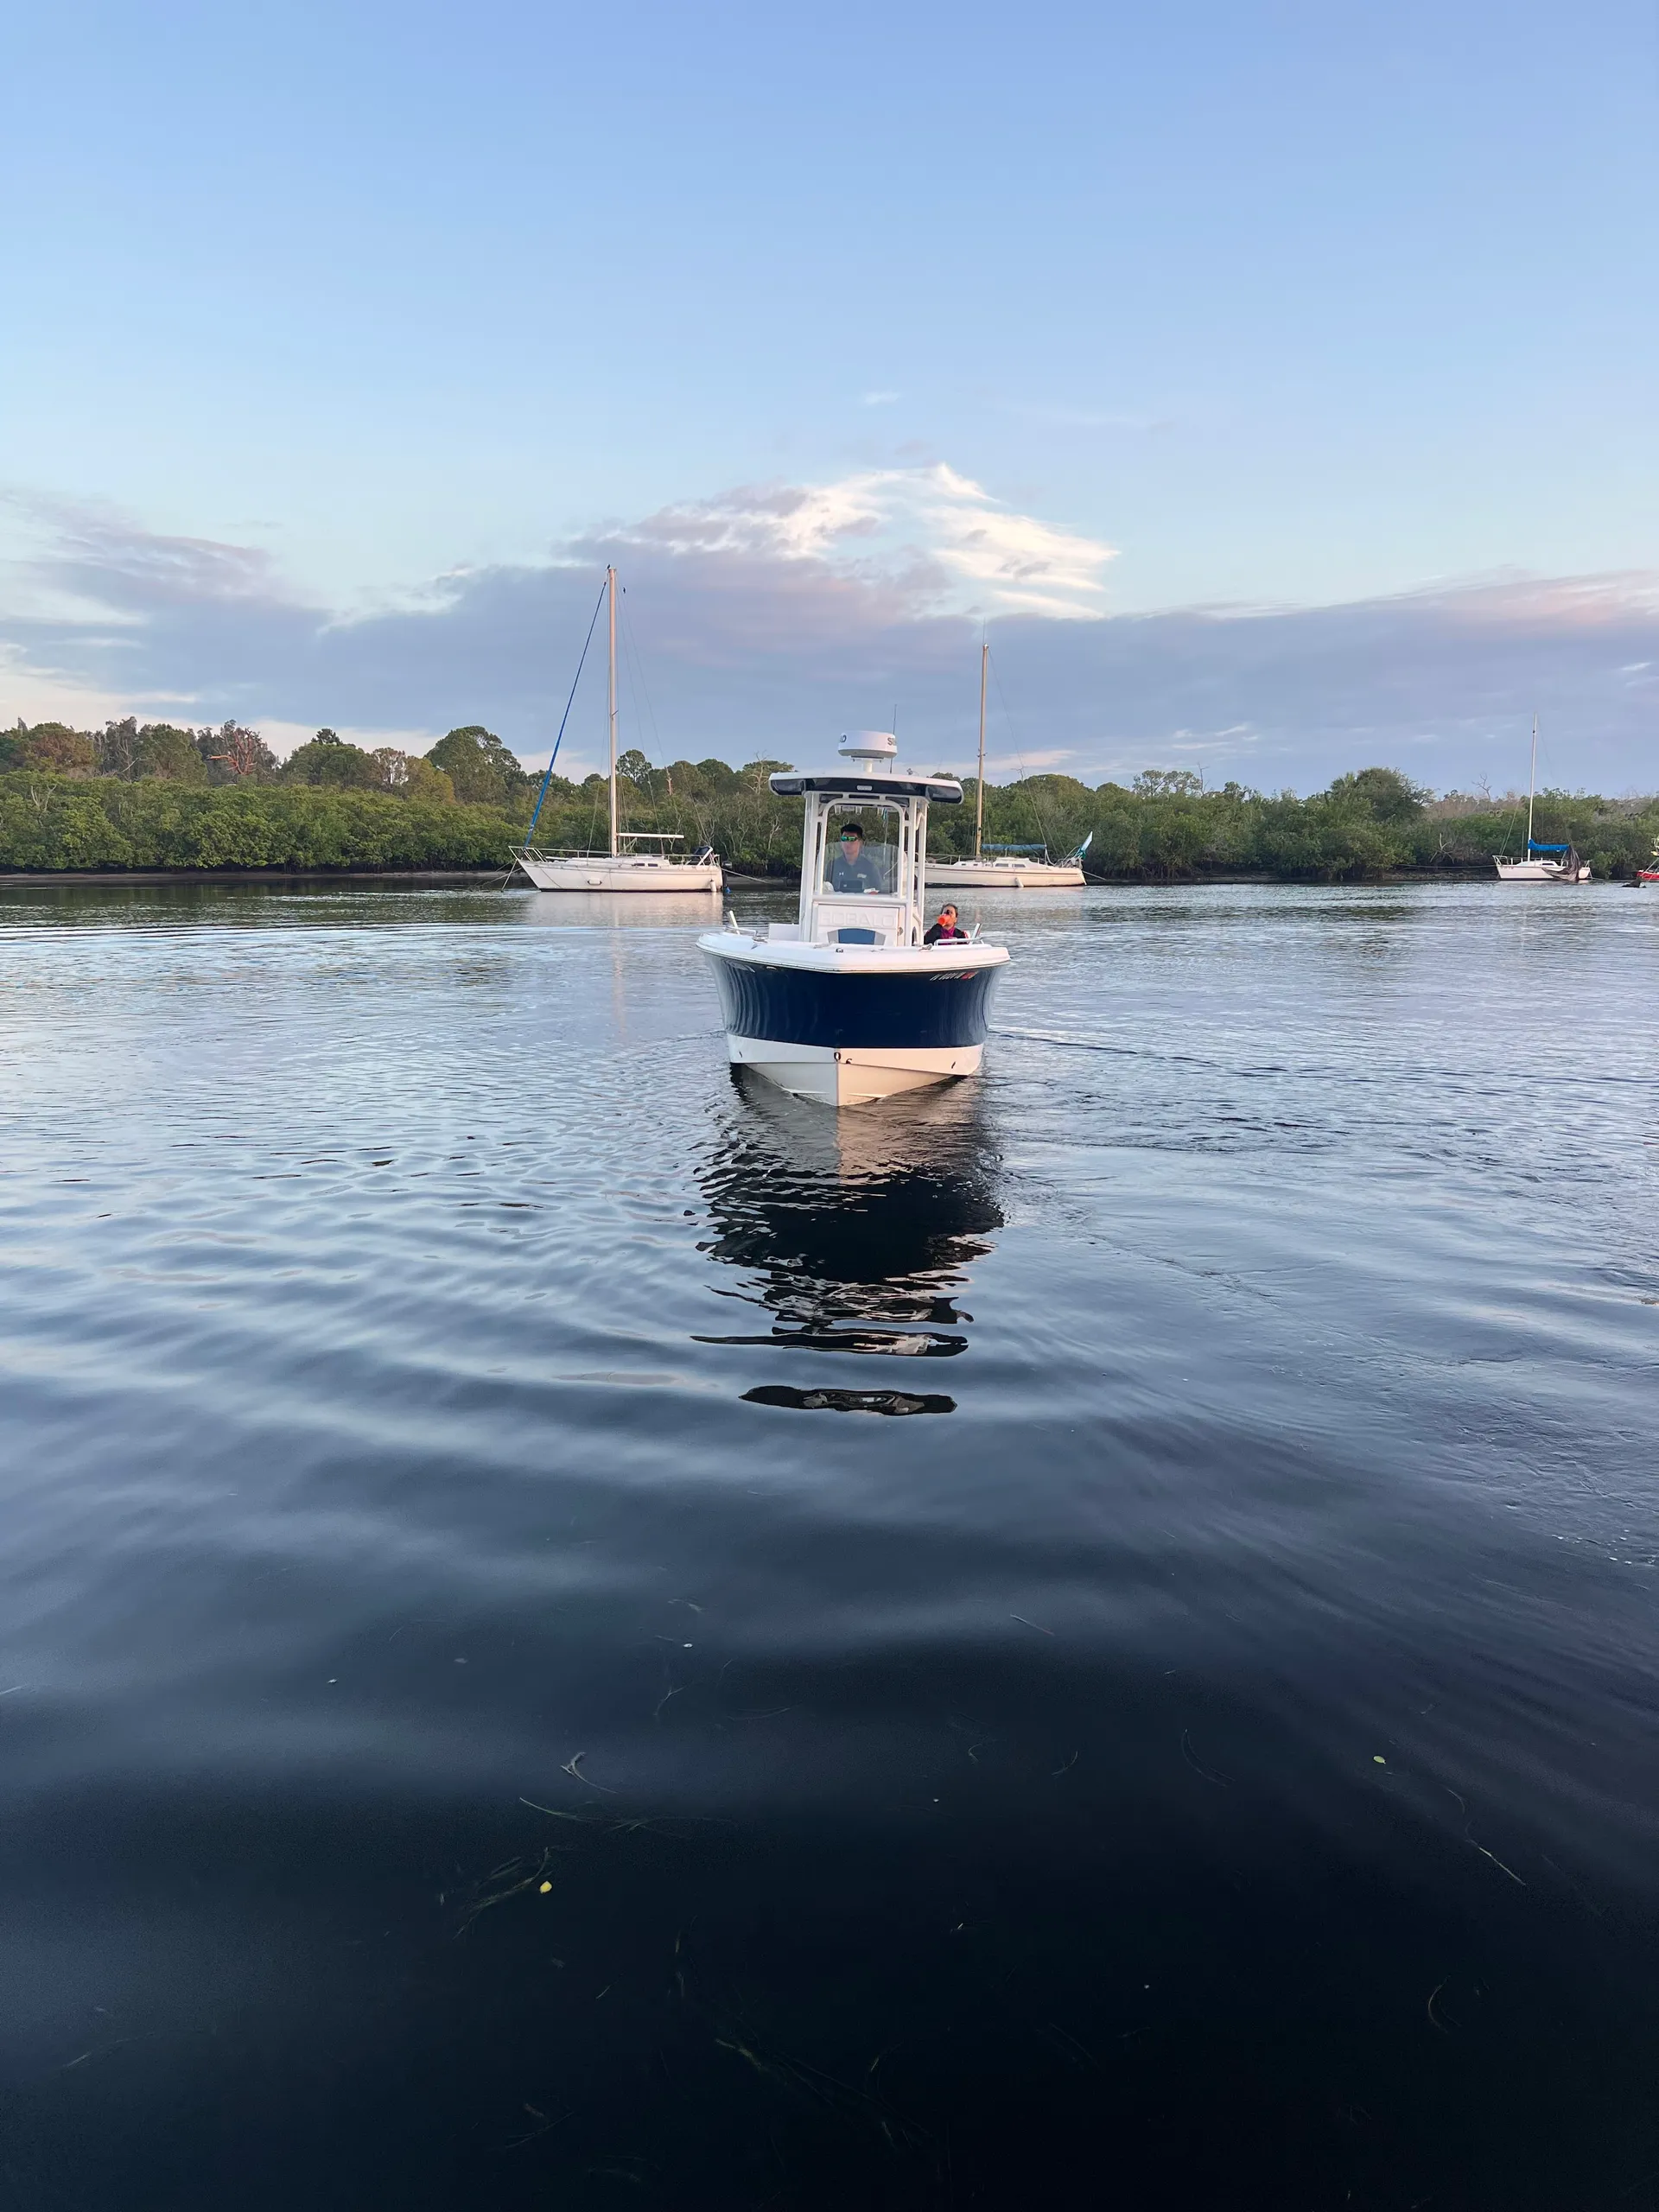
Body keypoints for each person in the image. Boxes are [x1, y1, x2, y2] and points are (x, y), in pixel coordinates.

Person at [829, 822, 884, 893]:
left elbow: (878, 893)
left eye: (852, 839)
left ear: (860, 842)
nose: (847, 842)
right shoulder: (832, 866)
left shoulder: (870, 868)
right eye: (844, 838)